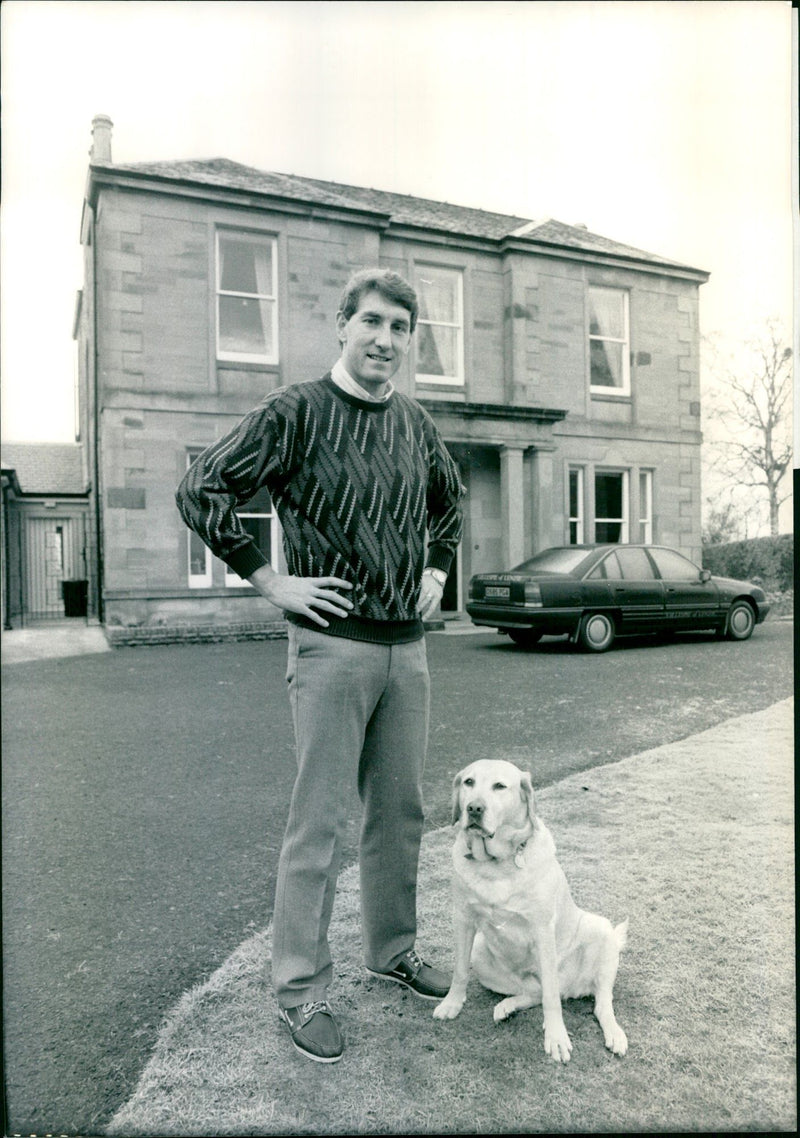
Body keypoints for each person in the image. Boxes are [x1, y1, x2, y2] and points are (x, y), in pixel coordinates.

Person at [176, 268, 465, 1063]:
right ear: (342, 325)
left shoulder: (415, 421)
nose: (385, 339)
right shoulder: (294, 414)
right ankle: (300, 990)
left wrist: (438, 568)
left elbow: (448, 501)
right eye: (371, 321)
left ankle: (393, 950)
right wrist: (270, 579)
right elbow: (202, 488)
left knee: (400, 815)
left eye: (401, 328)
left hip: (407, 648)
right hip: (332, 648)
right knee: (320, 825)